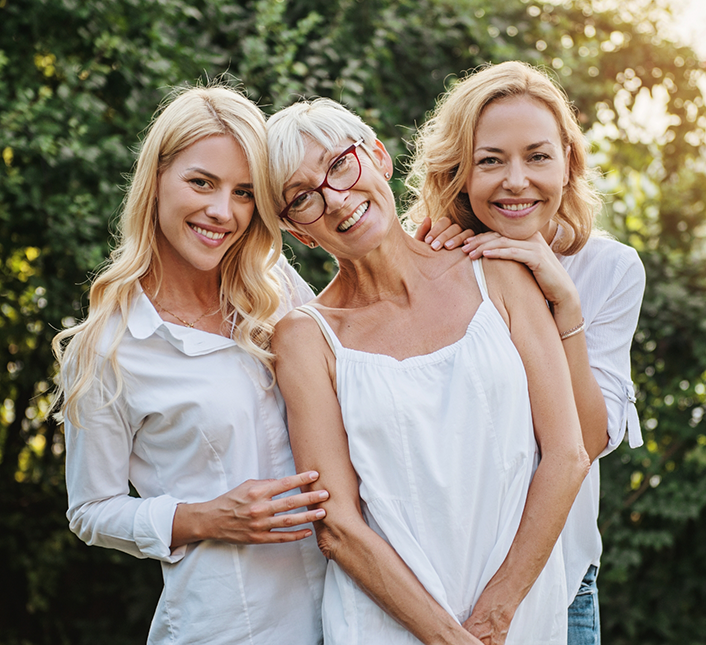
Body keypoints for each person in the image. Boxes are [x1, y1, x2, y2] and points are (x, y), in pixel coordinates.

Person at [266, 97, 591, 645]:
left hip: (520, 616)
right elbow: (338, 527)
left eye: (341, 164)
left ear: (377, 156)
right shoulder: (305, 338)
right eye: (303, 198)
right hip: (386, 627)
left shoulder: (497, 273)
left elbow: (568, 454)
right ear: (298, 231)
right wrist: (448, 638)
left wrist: (496, 614)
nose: (336, 199)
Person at [52, 85, 328, 645]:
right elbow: (90, 510)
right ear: (156, 180)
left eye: (245, 193)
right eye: (202, 182)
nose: (222, 212)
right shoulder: (109, 346)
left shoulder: (277, 289)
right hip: (231, 626)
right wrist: (205, 517)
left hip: (350, 610)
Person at [405, 61, 646, 645]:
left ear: (568, 160)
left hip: (560, 585)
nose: (517, 181)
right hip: (436, 585)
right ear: (459, 171)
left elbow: (585, 444)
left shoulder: (608, 270)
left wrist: (565, 305)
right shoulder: (429, 261)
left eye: (537, 156)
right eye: (490, 160)